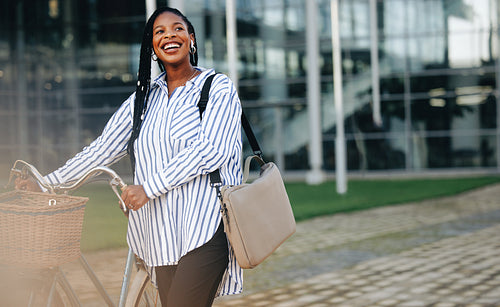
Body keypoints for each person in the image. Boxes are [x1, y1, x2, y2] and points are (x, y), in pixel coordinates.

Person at [16, 7, 243, 306]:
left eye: (177, 29)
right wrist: (47, 183)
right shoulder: (143, 99)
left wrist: (149, 188)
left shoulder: (218, 88)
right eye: (159, 32)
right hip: (158, 235)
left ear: (191, 39)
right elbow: (102, 148)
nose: (169, 36)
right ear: (151, 46)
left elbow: (211, 150)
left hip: (204, 226)